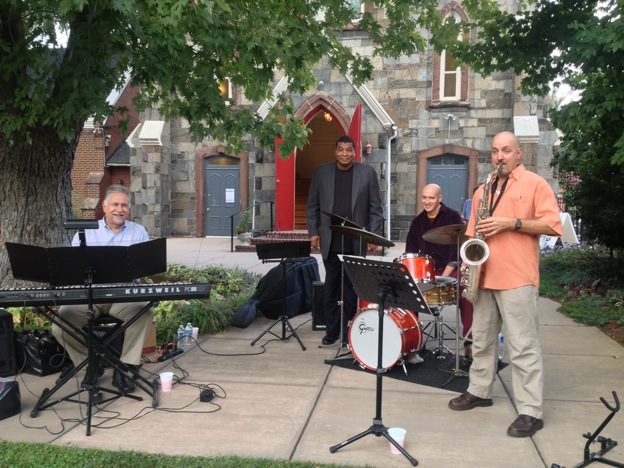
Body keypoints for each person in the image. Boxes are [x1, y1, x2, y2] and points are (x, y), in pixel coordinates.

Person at [448, 131, 562, 438]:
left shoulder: (535, 184)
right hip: (484, 275)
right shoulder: (483, 190)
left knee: (522, 346)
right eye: (496, 150)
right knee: (482, 340)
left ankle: (530, 411)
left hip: (516, 277)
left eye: (507, 150)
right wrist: (469, 268)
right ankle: (479, 391)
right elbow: (472, 235)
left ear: (518, 153)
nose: (500, 156)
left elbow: (553, 224)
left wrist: (512, 222)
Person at [52, 184, 153, 394]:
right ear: (104, 207)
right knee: (60, 323)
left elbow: (144, 269)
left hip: (123, 295)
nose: (120, 209)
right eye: (115, 204)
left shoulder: (139, 231)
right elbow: (74, 269)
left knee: (143, 313)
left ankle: (125, 366)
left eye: (124, 205)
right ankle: (90, 364)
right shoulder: (85, 233)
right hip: (91, 295)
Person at [306, 135, 384, 346]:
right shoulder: (321, 172)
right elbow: (312, 206)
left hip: (355, 242)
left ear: (354, 151)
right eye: (340, 149)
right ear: (335, 151)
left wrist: (374, 234)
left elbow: (376, 208)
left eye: (349, 150)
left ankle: (349, 330)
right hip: (330, 241)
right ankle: (332, 331)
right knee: (330, 288)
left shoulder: (367, 173)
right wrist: (313, 231)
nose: (344, 154)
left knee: (351, 291)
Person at [405, 184, 474, 361]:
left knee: (466, 291)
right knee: (407, 291)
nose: (427, 202)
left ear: (440, 198)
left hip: (449, 269)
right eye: (424, 198)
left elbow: (456, 252)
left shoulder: (452, 217)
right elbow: (410, 252)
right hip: (426, 270)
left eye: (431, 198)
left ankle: (470, 342)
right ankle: (413, 341)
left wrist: (443, 276)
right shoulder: (418, 222)